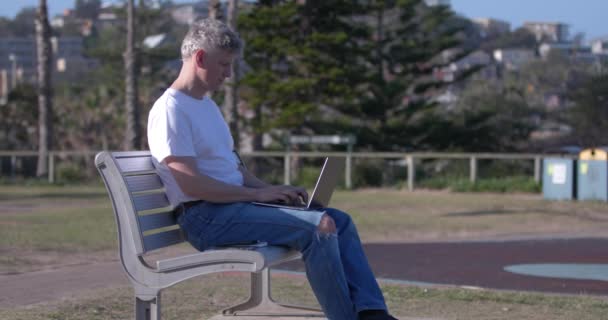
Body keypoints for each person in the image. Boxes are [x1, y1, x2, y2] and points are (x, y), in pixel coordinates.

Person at [147, 18, 398, 320]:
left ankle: (373, 313)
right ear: (199, 58)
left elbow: (235, 169)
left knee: (339, 221)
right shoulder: (171, 109)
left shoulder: (207, 105)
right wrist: (257, 195)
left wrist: (272, 191)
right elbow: (191, 185)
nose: (228, 75)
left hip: (229, 208)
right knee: (319, 227)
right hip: (205, 216)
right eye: (224, 65)